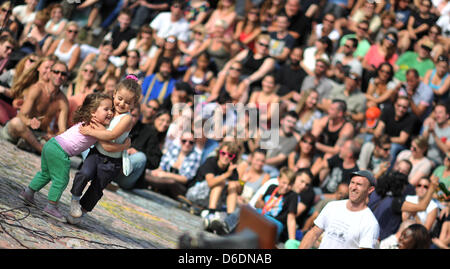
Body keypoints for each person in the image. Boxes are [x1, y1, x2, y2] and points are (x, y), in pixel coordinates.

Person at [19, 92, 128, 222]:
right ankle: (51, 206)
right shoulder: (96, 126)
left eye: (111, 109)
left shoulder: (90, 121)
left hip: (51, 145)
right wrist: (125, 145)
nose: (110, 113)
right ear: (93, 112)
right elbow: (108, 142)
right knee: (61, 180)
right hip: (60, 151)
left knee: (46, 174)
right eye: (106, 109)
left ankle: (28, 192)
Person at [69, 77, 141, 223]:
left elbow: (111, 136)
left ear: (134, 103)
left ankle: (82, 212)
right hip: (96, 153)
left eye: (127, 102)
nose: (122, 104)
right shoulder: (108, 109)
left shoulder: (126, 119)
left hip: (112, 162)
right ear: (114, 94)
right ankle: (75, 200)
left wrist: (92, 132)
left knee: (96, 188)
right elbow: (94, 120)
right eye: (120, 98)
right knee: (84, 173)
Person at [1, 60, 69, 154]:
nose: (59, 76)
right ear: (50, 73)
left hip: (39, 134)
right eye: (56, 72)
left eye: (63, 74)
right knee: (16, 123)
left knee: (64, 144)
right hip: (23, 128)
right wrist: (30, 122)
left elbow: (63, 130)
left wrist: (53, 136)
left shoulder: (63, 101)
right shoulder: (37, 89)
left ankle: (30, 144)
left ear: (66, 78)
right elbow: (21, 116)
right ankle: (40, 149)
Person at [299, 170, 380, 249]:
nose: (353, 187)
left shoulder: (370, 223)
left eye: (359, 184)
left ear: (370, 190)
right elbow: (313, 233)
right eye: (352, 183)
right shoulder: (332, 206)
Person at [368, 171, 439, 241]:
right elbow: (422, 207)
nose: (405, 188)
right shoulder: (395, 201)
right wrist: (432, 188)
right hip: (380, 240)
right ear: (400, 186)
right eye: (405, 186)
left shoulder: (376, 195)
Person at [185, 141, 241, 221]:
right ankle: (211, 213)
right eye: (223, 153)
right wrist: (226, 175)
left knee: (232, 185)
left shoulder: (232, 170)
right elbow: (211, 183)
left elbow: (238, 192)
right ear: (219, 152)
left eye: (230, 155)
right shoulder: (211, 161)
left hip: (213, 200)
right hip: (195, 194)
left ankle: (230, 217)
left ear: (233, 158)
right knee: (220, 182)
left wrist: (239, 184)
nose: (225, 157)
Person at [145, 131, 202, 200]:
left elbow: (185, 179)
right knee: (147, 172)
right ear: (180, 140)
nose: (187, 144)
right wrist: (154, 172)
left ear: (194, 144)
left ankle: (148, 182)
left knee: (171, 182)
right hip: (163, 179)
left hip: (179, 186)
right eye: (184, 141)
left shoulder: (195, 157)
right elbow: (162, 167)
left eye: (191, 142)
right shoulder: (173, 149)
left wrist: (165, 175)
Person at [127, 109, 172, 190]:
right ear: (155, 119)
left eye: (168, 122)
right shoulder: (143, 129)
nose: (165, 124)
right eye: (162, 120)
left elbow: (154, 162)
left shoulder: (165, 140)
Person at [254, 167, 298, 241]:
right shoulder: (271, 187)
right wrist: (259, 201)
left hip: (275, 222)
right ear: (278, 179)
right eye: (284, 183)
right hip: (262, 215)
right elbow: (258, 205)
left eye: (290, 184)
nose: (286, 187)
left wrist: (292, 240)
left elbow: (291, 218)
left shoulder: (293, 196)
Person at [374, 95, 419, 167]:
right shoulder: (387, 110)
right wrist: (379, 135)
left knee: (393, 147)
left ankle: (386, 169)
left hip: (400, 146)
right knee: (369, 139)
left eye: (404, 107)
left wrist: (386, 139)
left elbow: (402, 140)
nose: (401, 109)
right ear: (395, 104)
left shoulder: (410, 118)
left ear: (408, 108)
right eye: (399, 106)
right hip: (385, 141)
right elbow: (379, 129)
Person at [261, 110, 301, 178]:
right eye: (288, 121)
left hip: (271, 168)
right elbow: (258, 148)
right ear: (282, 121)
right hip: (258, 161)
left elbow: (280, 158)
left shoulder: (292, 140)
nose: (291, 125)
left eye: (294, 123)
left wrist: (261, 162)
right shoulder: (270, 132)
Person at [66, 62, 99, 127]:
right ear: (81, 72)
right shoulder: (73, 85)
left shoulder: (96, 90)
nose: (88, 73)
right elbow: (67, 104)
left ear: (94, 74)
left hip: (84, 124)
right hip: (69, 121)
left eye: (91, 71)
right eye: (85, 70)